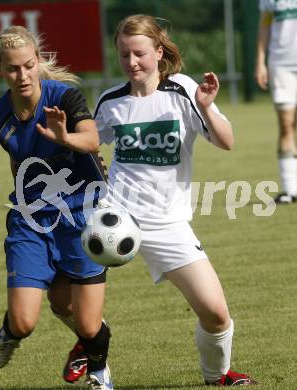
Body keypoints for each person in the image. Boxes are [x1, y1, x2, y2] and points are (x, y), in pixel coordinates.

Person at [91, 14, 256, 386]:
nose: (132, 62)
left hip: (168, 222)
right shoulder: (111, 101)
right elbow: (88, 144)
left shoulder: (183, 90)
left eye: (139, 53)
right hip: (114, 215)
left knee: (215, 313)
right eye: (124, 55)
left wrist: (208, 106)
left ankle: (217, 376)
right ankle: (95, 367)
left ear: (159, 52)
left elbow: (227, 141)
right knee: (78, 299)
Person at [0, 25, 113, 390]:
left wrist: (64, 138)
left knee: (81, 319)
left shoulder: (65, 98)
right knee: (24, 321)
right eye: (12, 69)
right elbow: (19, 161)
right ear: (0, 70)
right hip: (31, 218)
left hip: (81, 217)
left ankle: (100, 373)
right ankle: (9, 332)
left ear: (38, 62)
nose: (22, 75)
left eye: (28, 65)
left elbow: (90, 139)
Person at [254, 0, 297, 204]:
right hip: (281, 65)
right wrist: (260, 62)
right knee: (287, 124)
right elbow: (265, 24)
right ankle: (290, 190)